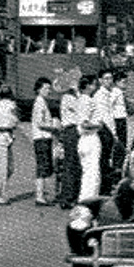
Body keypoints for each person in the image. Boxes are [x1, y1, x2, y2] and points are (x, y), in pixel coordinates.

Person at [77, 74, 105, 201]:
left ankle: (83, 198)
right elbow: (84, 123)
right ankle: (91, 200)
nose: (96, 87)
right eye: (94, 84)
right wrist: (98, 125)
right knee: (93, 173)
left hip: (83, 140)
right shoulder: (87, 100)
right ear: (88, 86)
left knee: (86, 172)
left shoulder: (79, 100)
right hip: (90, 137)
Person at [30, 77, 57, 205]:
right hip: (42, 137)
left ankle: (41, 194)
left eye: (49, 88)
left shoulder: (42, 102)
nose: (49, 91)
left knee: (44, 166)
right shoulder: (40, 103)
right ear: (38, 89)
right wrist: (53, 127)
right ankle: (40, 196)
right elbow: (40, 123)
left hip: (43, 137)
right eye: (46, 88)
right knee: (42, 167)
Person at [56, 80, 82, 209]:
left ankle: (69, 195)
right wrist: (77, 93)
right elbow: (80, 110)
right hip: (71, 131)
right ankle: (68, 197)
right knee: (71, 164)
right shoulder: (68, 98)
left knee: (72, 164)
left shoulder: (69, 98)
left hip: (72, 131)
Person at [96, 69, 118, 193]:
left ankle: (106, 187)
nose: (109, 81)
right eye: (106, 79)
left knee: (107, 160)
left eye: (111, 78)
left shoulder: (107, 94)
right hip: (105, 131)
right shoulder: (100, 96)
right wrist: (113, 133)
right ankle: (104, 189)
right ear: (100, 81)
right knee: (105, 161)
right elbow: (105, 117)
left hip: (107, 130)